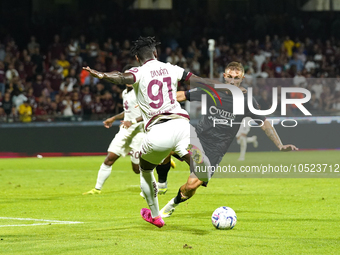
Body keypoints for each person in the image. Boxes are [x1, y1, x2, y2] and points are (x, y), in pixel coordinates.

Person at [83, 36, 202, 228]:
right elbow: (198, 81)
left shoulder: (138, 71)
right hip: (183, 125)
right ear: (156, 53)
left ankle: (155, 215)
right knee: (197, 163)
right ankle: (197, 165)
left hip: (157, 131)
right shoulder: (172, 68)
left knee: (145, 170)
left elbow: (121, 77)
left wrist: (102, 75)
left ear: (137, 58)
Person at [159, 61, 298, 218]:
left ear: (242, 78)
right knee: (163, 145)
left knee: (191, 186)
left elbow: (264, 124)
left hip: (214, 150)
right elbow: (182, 95)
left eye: (236, 78)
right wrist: (156, 103)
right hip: (196, 139)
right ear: (224, 76)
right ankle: (162, 182)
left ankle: (173, 204)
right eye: (230, 77)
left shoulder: (247, 101)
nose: (232, 81)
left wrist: (279, 145)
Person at [83, 64, 174, 196]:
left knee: (138, 169)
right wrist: (113, 118)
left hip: (139, 132)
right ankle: (97, 189)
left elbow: (149, 113)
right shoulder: (125, 93)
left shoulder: (142, 92)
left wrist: (131, 121)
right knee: (110, 158)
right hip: (125, 131)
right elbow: (127, 112)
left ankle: (161, 165)